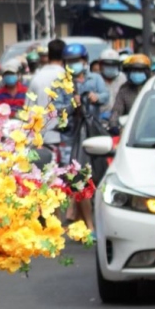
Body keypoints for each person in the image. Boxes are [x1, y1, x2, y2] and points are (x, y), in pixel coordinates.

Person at [63, 43, 109, 230]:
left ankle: (96, 223)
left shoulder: (96, 79)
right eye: (70, 62)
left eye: (77, 61)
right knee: (79, 182)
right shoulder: (63, 83)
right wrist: (72, 106)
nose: (74, 65)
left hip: (94, 135)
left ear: (84, 62)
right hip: (73, 138)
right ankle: (87, 225)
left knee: (98, 179)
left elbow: (106, 96)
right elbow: (58, 111)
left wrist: (96, 97)